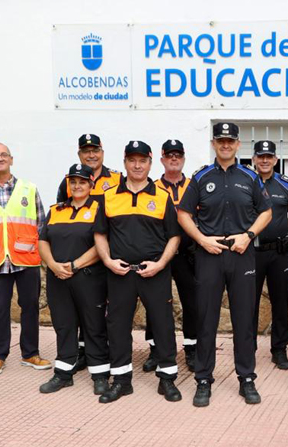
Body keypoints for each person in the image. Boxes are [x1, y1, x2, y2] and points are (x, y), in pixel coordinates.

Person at [178, 122, 272, 407]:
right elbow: (183, 214)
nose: (226, 145)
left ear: (238, 144)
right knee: (206, 320)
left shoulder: (250, 176)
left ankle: (247, 379)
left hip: (242, 253)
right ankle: (203, 379)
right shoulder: (201, 177)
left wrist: (248, 235)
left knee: (244, 321)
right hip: (209, 254)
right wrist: (202, 239)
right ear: (213, 143)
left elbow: (266, 212)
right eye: (221, 140)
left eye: (230, 140)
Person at [93, 140, 182, 403]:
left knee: (163, 325)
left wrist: (161, 264)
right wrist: (108, 261)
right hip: (120, 273)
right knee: (118, 327)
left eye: (142, 160)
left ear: (150, 163)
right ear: (125, 163)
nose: (137, 165)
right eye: (132, 160)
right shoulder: (109, 196)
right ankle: (121, 381)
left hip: (154, 272)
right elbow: (99, 234)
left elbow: (174, 237)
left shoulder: (162, 197)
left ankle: (167, 380)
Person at [0, 142, 51, 377]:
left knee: (30, 307)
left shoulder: (28, 189)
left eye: (3, 154)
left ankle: (30, 353)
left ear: (11, 159)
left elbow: (40, 223)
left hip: (25, 258)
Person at [37, 164, 110, 395]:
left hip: (88, 277)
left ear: (91, 184)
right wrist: (53, 265)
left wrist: (74, 265)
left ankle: (99, 374)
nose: (77, 186)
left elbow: (103, 245)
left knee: (94, 326)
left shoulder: (100, 209)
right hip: (58, 277)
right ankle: (63, 373)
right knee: (64, 325)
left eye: (82, 182)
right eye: (73, 182)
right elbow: (43, 241)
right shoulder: (56, 210)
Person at [56, 133, 121, 371]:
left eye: (95, 150)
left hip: (109, 255)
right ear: (79, 154)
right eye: (86, 151)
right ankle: (84, 353)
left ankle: (106, 353)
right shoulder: (69, 181)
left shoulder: (116, 178)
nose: (91, 155)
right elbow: (62, 215)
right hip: (79, 258)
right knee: (83, 309)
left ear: (102, 152)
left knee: (105, 309)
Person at [142, 140, 198, 373]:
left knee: (192, 303)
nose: (174, 159)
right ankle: (156, 349)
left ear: (183, 158)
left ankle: (192, 349)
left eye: (178, 155)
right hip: (159, 254)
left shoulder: (195, 186)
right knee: (156, 304)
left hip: (188, 254)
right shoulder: (151, 187)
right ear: (162, 159)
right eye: (169, 155)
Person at [251, 140, 288, 370]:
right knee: (247, 303)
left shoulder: (285, 184)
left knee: (280, 303)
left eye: (268, 156)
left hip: (278, 252)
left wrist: (280, 229)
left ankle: (279, 350)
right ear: (253, 159)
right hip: (251, 252)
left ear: (275, 160)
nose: (264, 160)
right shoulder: (245, 182)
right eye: (260, 156)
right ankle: (247, 348)